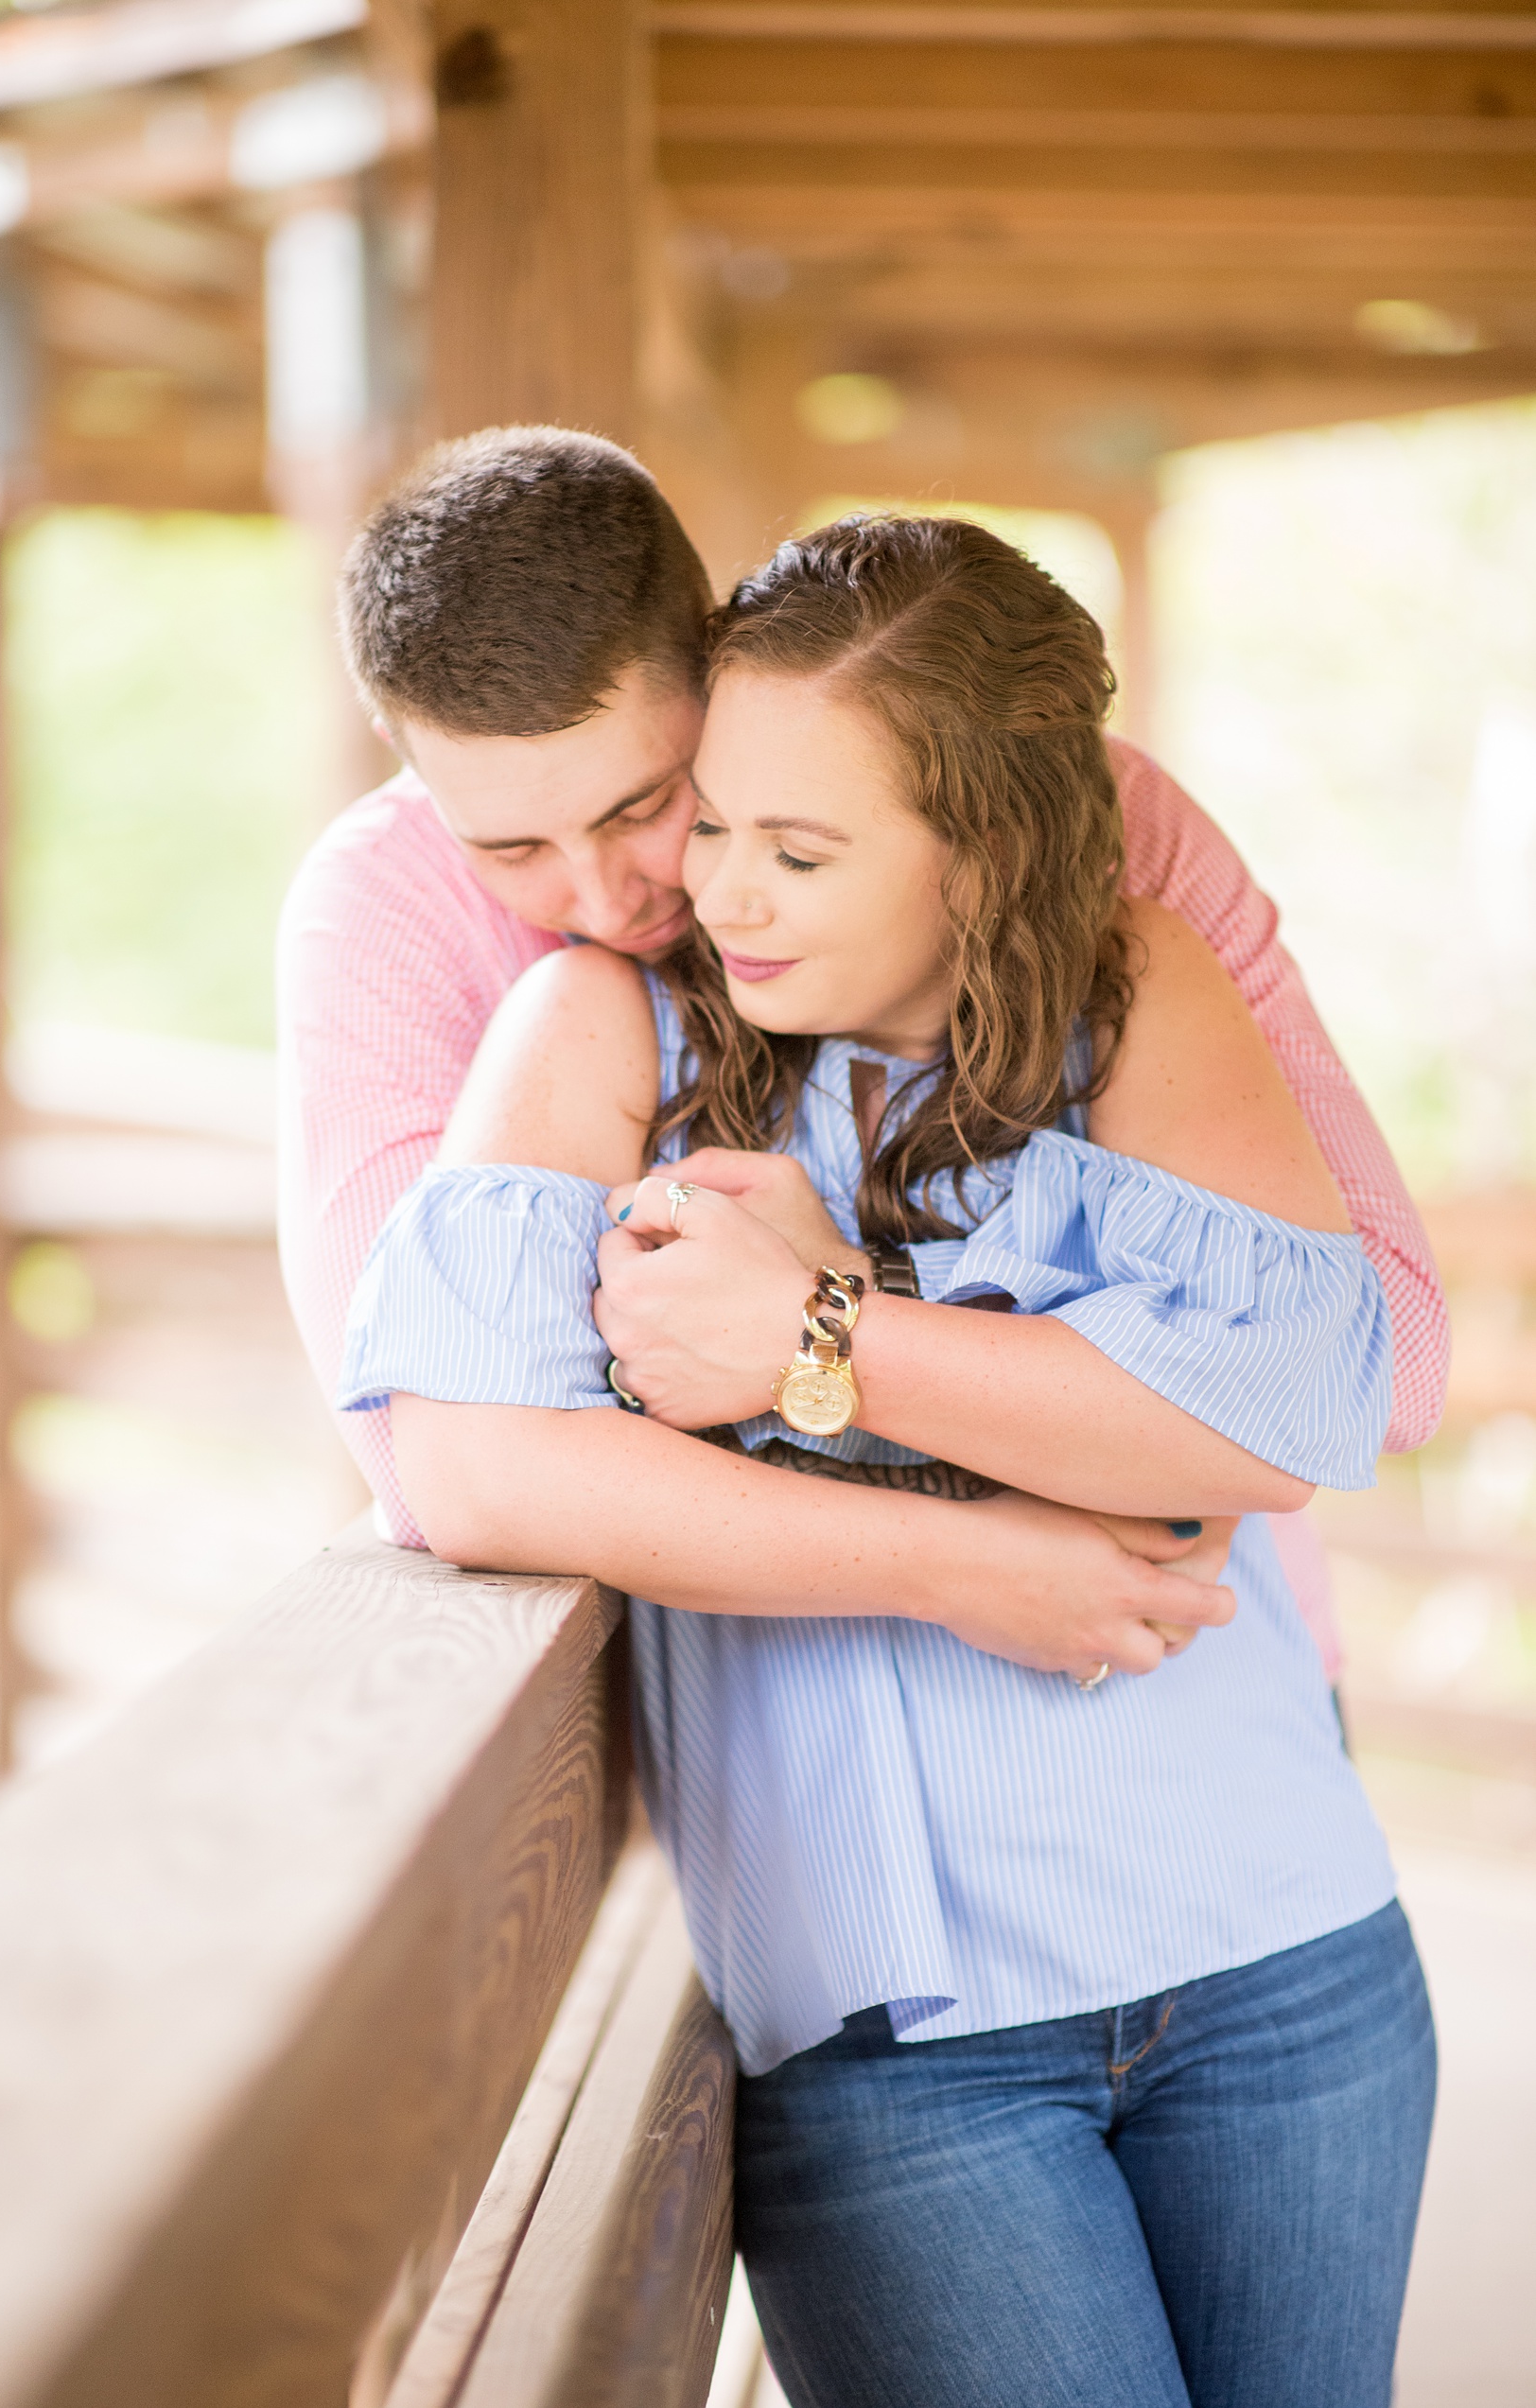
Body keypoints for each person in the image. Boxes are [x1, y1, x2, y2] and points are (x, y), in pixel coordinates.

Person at [337, 514, 1435, 2408]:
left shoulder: (1132, 984)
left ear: (971, 849)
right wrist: (973, 1551)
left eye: (788, 837)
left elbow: (1307, 1410)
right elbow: (468, 1468)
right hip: (903, 2047)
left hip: (1287, 1955)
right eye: (719, 828)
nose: (699, 890)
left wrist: (816, 1338)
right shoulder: (595, 1028)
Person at [276, 427, 1448, 1672]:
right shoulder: (387, 910)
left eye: (654, 803)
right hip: (815, 1791)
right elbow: (439, 1456)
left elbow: (1389, 1365)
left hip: (1185, 1674)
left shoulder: (1076, 815)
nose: (615, 896)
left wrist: (814, 1325)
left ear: (717, 666)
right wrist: (961, 1555)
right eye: (510, 851)